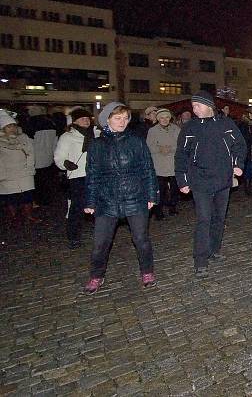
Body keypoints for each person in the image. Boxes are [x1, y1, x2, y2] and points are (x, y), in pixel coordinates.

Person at [83, 102, 159, 294]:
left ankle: (147, 272)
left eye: (126, 118)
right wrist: (90, 201)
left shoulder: (136, 141)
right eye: (118, 118)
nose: (122, 122)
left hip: (135, 197)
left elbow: (147, 169)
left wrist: (151, 194)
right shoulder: (97, 145)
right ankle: (96, 276)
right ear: (107, 120)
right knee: (101, 243)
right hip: (107, 199)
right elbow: (92, 174)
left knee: (141, 239)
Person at [175, 91, 246, 278]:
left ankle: (214, 249)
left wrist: (238, 164)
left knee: (218, 218)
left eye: (197, 105)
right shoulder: (189, 127)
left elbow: (239, 145)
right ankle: (200, 260)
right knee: (203, 220)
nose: (194, 109)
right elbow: (181, 154)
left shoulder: (226, 124)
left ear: (209, 106)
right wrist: (181, 179)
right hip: (200, 181)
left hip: (223, 180)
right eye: (193, 105)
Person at [54, 108, 95, 248]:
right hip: (78, 176)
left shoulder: (96, 133)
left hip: (96, 175)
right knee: (77, 207)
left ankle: (101, 230)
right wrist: (65, 163)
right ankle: (73, 236)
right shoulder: (67, 136)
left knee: (99, 204)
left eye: (88, 118)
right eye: (82, 118)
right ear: (75, 121)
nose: (86, 120)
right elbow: (59, 156)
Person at [0, 110, 37, 231]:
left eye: (13, 125)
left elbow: (31, 153)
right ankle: (14, 217)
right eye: (8, 126)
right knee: (11, 198)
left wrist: (30, 167)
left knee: (27, 196)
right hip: (7, 173)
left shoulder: (23, 138)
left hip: (24, 172)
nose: (12, 128)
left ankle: (29, 216)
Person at [146, 108, 181, 219]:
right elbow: (149, 146)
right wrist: (159, 149)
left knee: (175, 188)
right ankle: (158, 211)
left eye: (167, 117)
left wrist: (170, 148)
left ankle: (173, 207)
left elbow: (181, 144)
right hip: (159, 165)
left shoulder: (176, 129)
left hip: (173, 164)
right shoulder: (152, 130)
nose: (165, 119)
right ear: (158, 119)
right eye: (162, 118)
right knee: (160, 189)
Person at [23, 105, 57, 206]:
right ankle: (47, 199)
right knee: (46, 181)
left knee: (37, 183)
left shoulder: (30, 125)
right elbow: (55, 142)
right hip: (49, 158)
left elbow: (28, 145)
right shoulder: (51, 123)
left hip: (36, 159)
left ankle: (37, 201)